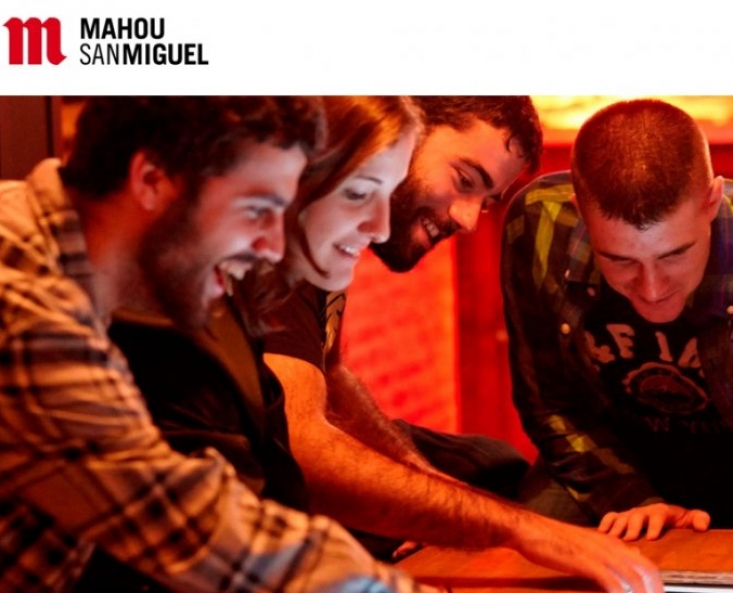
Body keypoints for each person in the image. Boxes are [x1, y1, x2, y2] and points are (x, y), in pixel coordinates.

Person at [0, 96, 432, 593]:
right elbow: (200, 531)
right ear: (151, 180)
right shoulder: (29, 313)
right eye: (257, 210)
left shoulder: (36, 232)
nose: (272, 245)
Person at [257, 96, 663, 593]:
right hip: (256, 480)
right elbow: (300, 445)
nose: (470, 220)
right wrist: (519, 528)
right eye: (465, 180)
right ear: (402, 128)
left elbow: (331, 372)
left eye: (486, 201)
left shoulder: (334, 232)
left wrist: (434, 493)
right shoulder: (286, 235)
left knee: (491, 464)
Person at [502, 98, 730, 542]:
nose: (652, 289)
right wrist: (630, 497)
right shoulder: (540, 221)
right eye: (620, 259)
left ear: (712, 201)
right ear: (582, 212)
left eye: (674, 255)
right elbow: (550, 405)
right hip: (603, 455)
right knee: (527, 554)